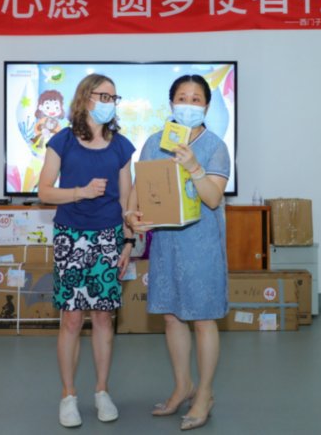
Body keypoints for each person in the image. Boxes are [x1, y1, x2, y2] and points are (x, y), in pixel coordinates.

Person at [126, 74, 230, 431]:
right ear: (171, 104)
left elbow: (212, 198)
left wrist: (193, 166)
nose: (188, 105)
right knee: (171, 316)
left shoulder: (215, 146)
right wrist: (130, 215)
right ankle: (183, 385)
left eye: (196, 99)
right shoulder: (155, 143)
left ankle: (204, 394)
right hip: (166, 244)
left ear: (207, 107)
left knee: (202, 318)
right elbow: (138, 189)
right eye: (182, 98)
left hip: (201, 246)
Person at [37, 74, 136, 428]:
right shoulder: (62, 140)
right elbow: (44, 192)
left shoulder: (121, 146)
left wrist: (128, 242)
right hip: (70, 235)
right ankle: (68, 396)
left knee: (104, 319)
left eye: (113, 97)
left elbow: (127, 200)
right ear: (85, 97)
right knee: (72, 320)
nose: (109, 102)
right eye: (103, 95)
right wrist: (80, 192)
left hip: (108, 237)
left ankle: (101, 391)